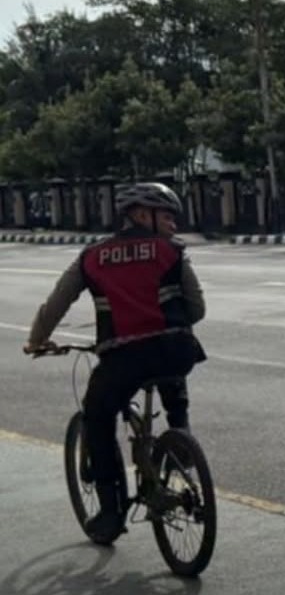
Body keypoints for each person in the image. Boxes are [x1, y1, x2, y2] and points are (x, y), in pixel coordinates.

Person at [23, 182, 207, 541]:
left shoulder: (92, 257)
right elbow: (197, 309)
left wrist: (37, 339)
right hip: (175, 350)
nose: (172, 224)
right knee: (171, 368)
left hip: (122, 358)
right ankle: (180, 440)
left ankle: (110, 513)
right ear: (140, 215)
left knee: (98, 417)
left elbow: (56, 305)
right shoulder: (173, 252)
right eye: (166, 216)